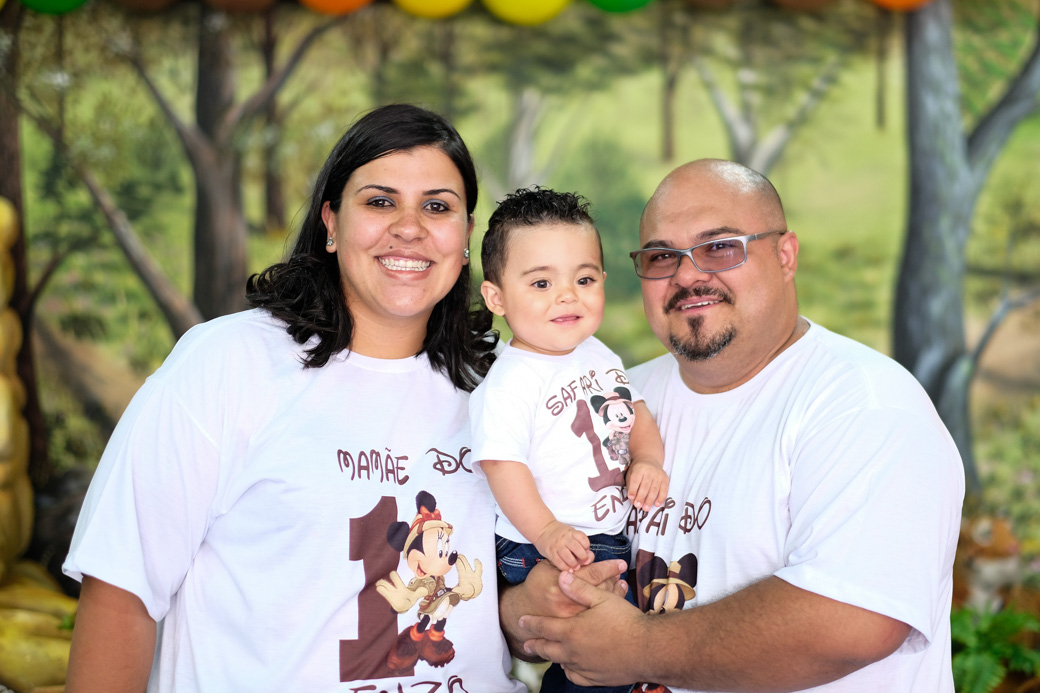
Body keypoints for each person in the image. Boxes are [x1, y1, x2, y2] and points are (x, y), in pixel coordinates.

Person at [62, 104, 527, 693]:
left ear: (465, 235)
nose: (409, 227)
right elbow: (120, 592)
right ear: (331, 222)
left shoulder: (501, 382)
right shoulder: (227, 364)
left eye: (437, 207)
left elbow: (516, 591)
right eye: (380, 202)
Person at [511, 159, 965, 692]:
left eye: (720, 247)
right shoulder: (616, 398)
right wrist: (526, 608)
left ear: (786, 255)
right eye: (662, 256)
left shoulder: (864, 404)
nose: (687, 275)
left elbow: (852, 623)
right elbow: (523, 600)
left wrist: (637, 648)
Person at [473, 187, 667, 693]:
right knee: (598, 650)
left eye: (584, 279)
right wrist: (547, 532)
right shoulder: (511, 381)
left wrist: (647, 460)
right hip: (540, 544)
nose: (567, 295)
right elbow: (502, 466)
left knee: (614, 650)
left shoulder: (598, 353)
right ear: (496, 298)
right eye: (541, 283)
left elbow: (635, 412)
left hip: (602, 535)